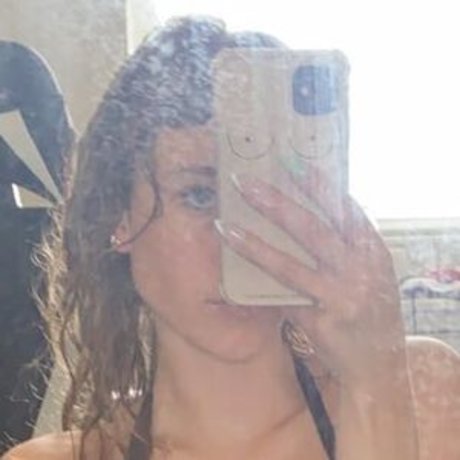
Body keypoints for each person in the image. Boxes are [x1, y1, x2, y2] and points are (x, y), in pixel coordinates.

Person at [4, 15, 460, 460]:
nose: (242, 243)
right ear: (118, 217)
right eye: (199, 195)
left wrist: (374, 385)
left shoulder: (420, 391)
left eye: (271, 199)